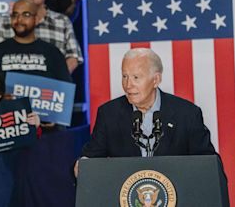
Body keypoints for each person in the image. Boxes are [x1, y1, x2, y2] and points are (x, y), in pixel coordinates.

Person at [74, 48, 218, 176]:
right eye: (125, 76)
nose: (128, 85)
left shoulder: (187, 114)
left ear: (156, 80)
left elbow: (208, 163)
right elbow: (92, 156)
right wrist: (83, 165)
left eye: (136, 77)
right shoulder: (109, 113)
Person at [0, 0, 83, 74]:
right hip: (13, 85)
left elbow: (73, 57)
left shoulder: (62, 21)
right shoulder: (5, 22)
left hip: (53, 85)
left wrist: (57, 79)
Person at [0, 0, 71, 83]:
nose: (19, 20)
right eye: (15, 15)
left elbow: (65, 91)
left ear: (36, 20)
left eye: (26, 15)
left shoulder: (53, 53)